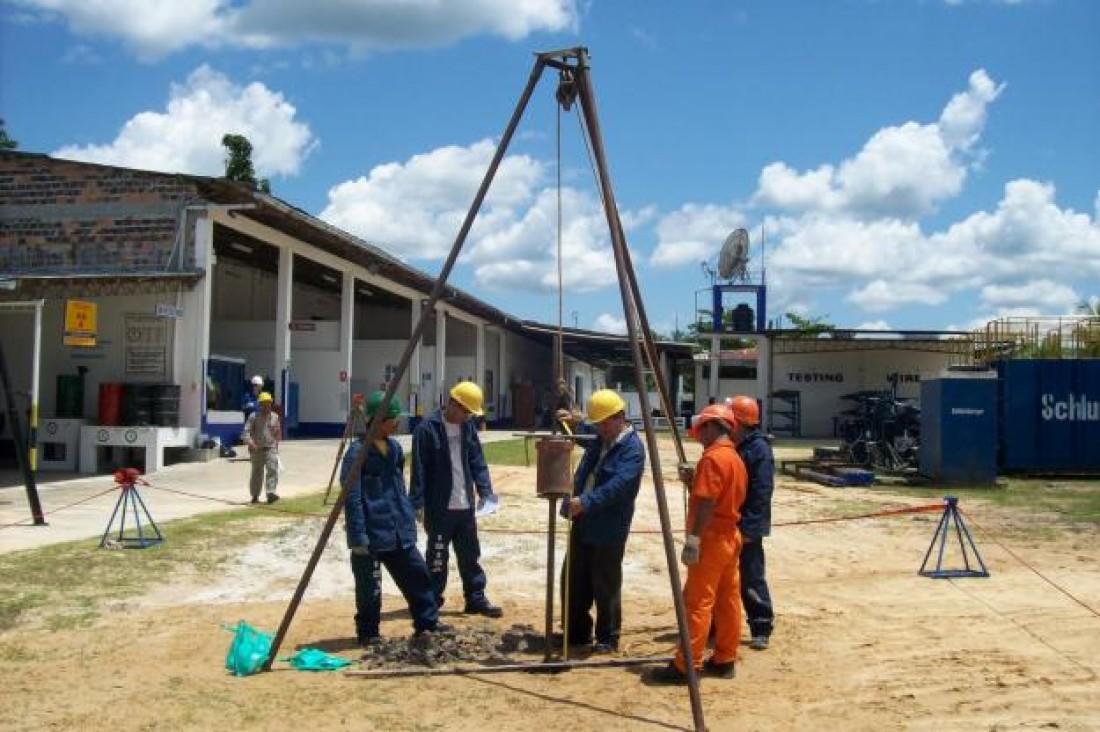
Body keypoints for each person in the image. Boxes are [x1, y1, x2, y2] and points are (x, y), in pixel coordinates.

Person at [648, 403, 747, 684]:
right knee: (728, 600)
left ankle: (685, 666)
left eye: (701, 430)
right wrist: (695, 482)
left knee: (698, 602)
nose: (698, 436)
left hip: (712, 538)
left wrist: (693, 539)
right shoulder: (734, 458)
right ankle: (725, 657)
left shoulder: (713, 459)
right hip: (730, 535)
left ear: (712, 426)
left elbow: (706, 502)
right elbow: (719, 496)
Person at [342, 391, 449, 645]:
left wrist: (410, 515)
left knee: (418, 575)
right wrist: (358, 536)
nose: (398, 422)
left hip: (399, 529)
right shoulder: (357, 453)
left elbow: (399, 488)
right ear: (378, 420)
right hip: (371, 532)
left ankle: (427, 623)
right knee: (370, 588)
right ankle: (368, 633)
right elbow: (352, 496)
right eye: (393, 418)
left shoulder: (396, 448)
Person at [409, 381, 503, 618]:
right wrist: (416, 503)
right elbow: (418, 468)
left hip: (465, 506)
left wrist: (485, 491)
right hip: (439, 507)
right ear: (453, 404)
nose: (468, 416)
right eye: (466, 411)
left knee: (470, 555)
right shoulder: (427, 429)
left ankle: (476, 598)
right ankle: (432, 602)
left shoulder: (467, 427)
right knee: (437, 557)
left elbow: (477, 461)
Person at [561, 388, 645, 654]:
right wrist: (569, 419)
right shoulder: (600, 438)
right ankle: (576, 633)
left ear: (621, 417)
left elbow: (618, 487)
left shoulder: (632, 449)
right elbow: (580, 428)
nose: (601, 428)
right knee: (573, 581)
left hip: (609, 527)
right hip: (583, 521)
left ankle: (608, 637)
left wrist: (585, 502)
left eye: (605, 423)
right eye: (597, 424)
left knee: (605, 585)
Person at [728, 395, 776, 651]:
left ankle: (761, 625)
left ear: (739, 422)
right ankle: (716, 624)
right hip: (727, 523)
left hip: (747, 526)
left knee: (751, 577)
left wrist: (749, 529)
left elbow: (762, 492)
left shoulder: (758, 450)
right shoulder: (734, 446)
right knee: (722, 577)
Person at [242, 391, 280, 504]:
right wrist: (250, 443)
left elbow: (277, 432)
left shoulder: (275, 417)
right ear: (259, 404)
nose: (266, 406)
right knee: (256, 473)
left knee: (272, 470)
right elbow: (245, 432)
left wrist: (276, 445)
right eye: (264, 404)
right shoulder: (254, 416)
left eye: (268, 403)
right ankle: (255, 496)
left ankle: (270, 493)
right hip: (257, 449)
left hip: (270, 448)